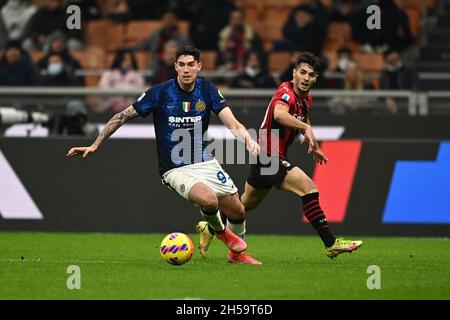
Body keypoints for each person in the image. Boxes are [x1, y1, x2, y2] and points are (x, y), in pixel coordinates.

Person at [66, 46, 261, 265]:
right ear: (175, 66)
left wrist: (247, 139)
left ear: (199, 66)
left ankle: (235, 256)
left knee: (237, 209)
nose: (186, 69)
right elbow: (122, 116)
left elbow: (233, 122)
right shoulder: (159, 93)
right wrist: (95, 144)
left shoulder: (207, 90)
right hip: (174, 168)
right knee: (209, 199)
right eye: (182, 65)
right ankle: (222, 233)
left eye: (190, 65)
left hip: (204, 160)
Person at [197, 52, 363, 260]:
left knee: (243, 205)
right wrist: (305, 128)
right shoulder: (285, 90)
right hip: (268, 155)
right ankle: (331, 243)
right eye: (302, 72)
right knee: (308, 188)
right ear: (294, 73)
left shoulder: (306, 99)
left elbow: (303, 118)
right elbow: (279, 114)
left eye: (311, 75)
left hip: (266, 157)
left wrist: (313, 141)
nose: (306, 78)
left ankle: (209, 227)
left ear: (315, 79)